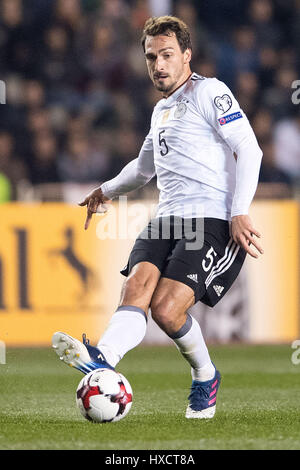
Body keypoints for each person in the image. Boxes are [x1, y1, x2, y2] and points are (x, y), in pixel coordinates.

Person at [52, 16, 263, 419]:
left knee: (167, 311)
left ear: (186, 55)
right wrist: (106, 190)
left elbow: (249, 149)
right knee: (136, 287)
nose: (158, 65)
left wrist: (239, 211)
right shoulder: (161, 110)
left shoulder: (210, 92)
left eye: (167, 55)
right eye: (151, 57)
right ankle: (102, 359)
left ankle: (205, 376)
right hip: (167, 217)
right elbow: (143, 168)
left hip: (212, 219)